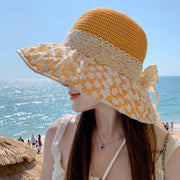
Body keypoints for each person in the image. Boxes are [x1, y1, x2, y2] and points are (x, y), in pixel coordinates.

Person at [17, 8, 180, 180]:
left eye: (78, 69)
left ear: (110, 78)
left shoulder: (166, 151)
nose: (64, 81)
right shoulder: (57, 134)